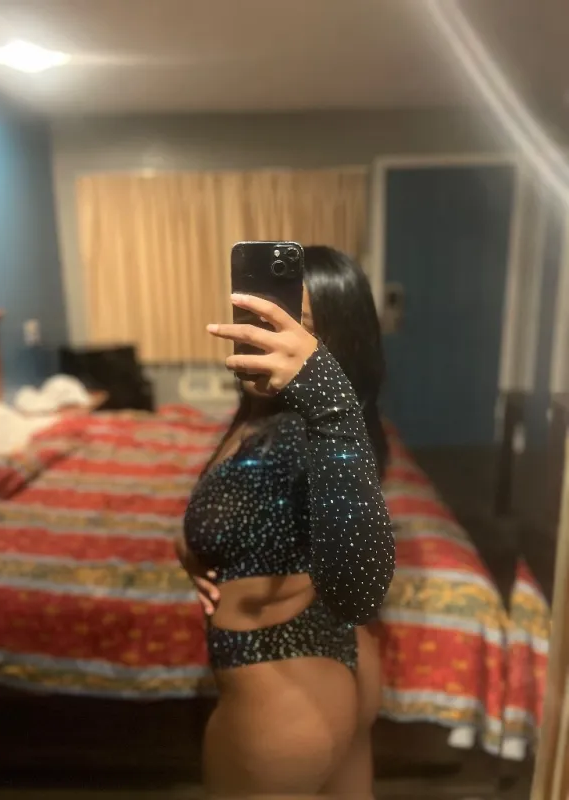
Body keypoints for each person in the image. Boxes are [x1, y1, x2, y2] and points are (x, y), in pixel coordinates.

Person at [177, 246, 395, 797]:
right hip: (333, 662)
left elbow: (361, 587)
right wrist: (194, 554)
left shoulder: (308, 432)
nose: (268, 338)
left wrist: (330, 404)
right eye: (263, 317)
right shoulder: (278, 417)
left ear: (335, 345)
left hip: (282, 693)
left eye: (301, 328)